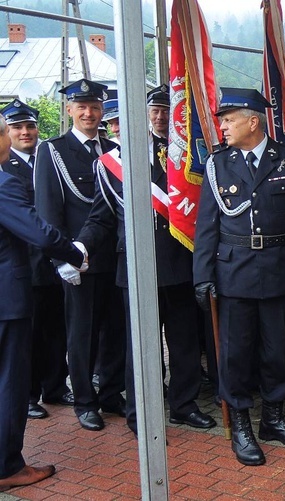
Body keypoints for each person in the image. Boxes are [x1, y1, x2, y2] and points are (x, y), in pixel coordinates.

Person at [77, 85, 216, 437]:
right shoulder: (109, 164)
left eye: (163, 110)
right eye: (114, 122)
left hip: (177, 259)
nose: (156, 116)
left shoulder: (174, 155)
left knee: (184, 342)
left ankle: (184, 406)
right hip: (136, 266)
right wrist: (78, 246)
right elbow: (101, 218)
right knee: (140, 346)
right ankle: (141, 412)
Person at [193, 88, 285, 466]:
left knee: (278, 349)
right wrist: (202, 275)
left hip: (280, 267)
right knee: (235, 353)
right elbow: (206, 226)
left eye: (229, 120)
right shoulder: (218, 164)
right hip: (234, 270)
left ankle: (274, 418)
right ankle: (243, 425)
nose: (223, 127)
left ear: (253, 121)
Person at [0, 114, 86, 492]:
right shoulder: (3, 184)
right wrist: (75, 253)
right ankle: (7, 465)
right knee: (10, 382)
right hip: (7, 299)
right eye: (5, 131)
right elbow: (37, 231)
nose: (11, 136)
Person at [34, 79, 126, 431]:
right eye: (82, 107)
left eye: (95, 107)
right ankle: (86, 401)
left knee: (115, 329)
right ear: (70, 110)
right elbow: (48, 210)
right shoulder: (53, 151)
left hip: (113, 257)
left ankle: (111, 392)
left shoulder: (113, 150)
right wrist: (61, 259)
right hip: (79, 261)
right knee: (82, 333)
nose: (89, 113)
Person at [0, 100, 71, 419]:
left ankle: (55, 386)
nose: (25, 132)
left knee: (55, 329)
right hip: (23, 267)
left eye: (30, 126)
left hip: (52, 264)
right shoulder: (5, 170)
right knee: (26, 337)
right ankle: (27, 394)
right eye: (16, 128)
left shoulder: (49, 156)